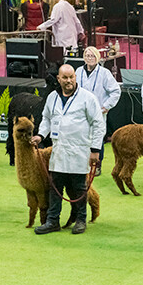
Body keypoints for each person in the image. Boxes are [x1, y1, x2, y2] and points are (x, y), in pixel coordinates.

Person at [32, 64, 106, 235]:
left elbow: (98, 124)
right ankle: (52, 221)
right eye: (65, 78)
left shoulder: (88, 98)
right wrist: (40, 136)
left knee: (79, 188)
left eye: (71, 77)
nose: (69, 81)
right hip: (59, 151)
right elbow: (47, 119)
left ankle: (81, 220)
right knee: (55, 188)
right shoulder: (52, 98)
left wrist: (95, 150)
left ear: (75, 77)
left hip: (80, 151)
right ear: (58, 79)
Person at [75, 46, 120, 173]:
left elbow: (115, 91)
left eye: (92, 56)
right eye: (87, 56)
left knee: (97, 139)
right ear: (84, 57)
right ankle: (82, 164)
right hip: (81, 112)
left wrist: (106, 106)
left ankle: (97, 166)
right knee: (81, 137)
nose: (90, 58)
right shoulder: (78, 71)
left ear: (97, 58)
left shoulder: (104, 73)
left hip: (98, 113)